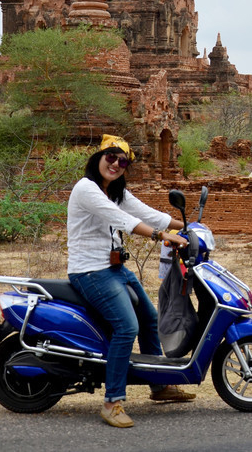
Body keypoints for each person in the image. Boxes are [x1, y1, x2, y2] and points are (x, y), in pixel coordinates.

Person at [66, 134, 195, 428]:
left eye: (122, 161)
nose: (116, 164)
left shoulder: (116, 191)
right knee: (126, 327)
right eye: (111, 157)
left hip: (113, 269)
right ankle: (112, 402)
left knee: (150, 318)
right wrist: (161, 236)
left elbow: (147, 213)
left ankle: (159, 385)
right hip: (90, 271)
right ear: (98, 158)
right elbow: (121, 219)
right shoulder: (87, 189)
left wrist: (188, 226)